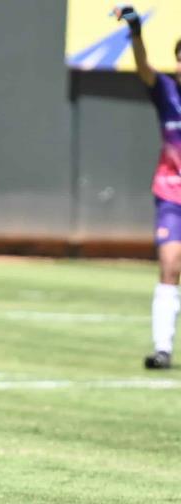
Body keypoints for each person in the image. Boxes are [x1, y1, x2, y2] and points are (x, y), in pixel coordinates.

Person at [117, 6, 181, 369]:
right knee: (170, 265)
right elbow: (144, 68)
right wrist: (136, 32)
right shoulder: (167, 93)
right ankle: (163, 349)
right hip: (172, 192)